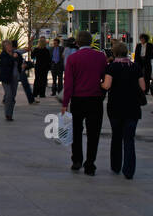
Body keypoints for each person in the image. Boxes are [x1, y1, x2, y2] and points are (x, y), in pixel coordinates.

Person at [61, 30, 107, 176]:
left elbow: (68, 83)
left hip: (78, 99)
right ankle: (90, 164)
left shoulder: (73, 59)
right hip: (95, 99)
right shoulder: (100, 57)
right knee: (94, 133)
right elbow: (104, 77)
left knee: (76, 131)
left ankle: (77, 160)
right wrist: (101, 94)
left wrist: (65, 102)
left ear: (77, 43)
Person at [102, 41, 146, 180]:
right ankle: (129, 170)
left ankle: (116, 166)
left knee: (116, 136)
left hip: (116, 106)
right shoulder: (135, 66)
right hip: (133, 107)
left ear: (114, 53)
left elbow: (107, 85)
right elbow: (143, 87)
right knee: (129, 139)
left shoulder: (112, 67)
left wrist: (101, 84)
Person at [0, 39, 20, 120]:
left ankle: (10, 114)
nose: (9, 47)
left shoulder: (16, 53)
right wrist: (12, 57)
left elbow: (20, 61)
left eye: (10, 45)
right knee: (9, 95)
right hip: (6, 79)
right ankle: (8, 114)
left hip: (15, 78)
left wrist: (25, 65)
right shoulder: (3, 55)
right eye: (7, 45)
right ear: (4, 47)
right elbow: (6, 63)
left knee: (13, 97)